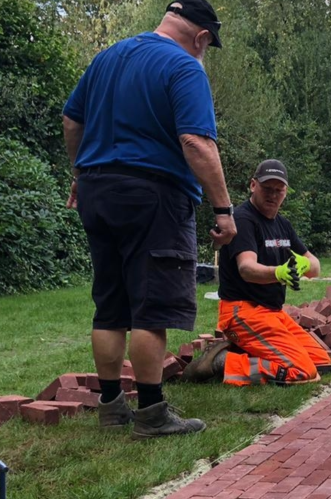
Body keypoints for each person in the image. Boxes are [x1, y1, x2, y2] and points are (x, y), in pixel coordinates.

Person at [62, 0, 236, 438]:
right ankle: (152, 414)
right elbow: (196, 142)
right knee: (150, 308)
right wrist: (223, 209)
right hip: (153, 195)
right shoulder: (184, 67)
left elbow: (71, 120)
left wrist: (80, 174)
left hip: (98, 191)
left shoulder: (107, 57)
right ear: (200, 38)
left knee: (110, 305)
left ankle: (111, 408)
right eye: (207, 46)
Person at [181, 160, 331, 387]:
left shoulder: (282, 224)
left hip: (272, 313)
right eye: (266, 188)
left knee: (321, 362)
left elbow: (316, 266)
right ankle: (223, 363)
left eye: (278, 190)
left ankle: (244, 351)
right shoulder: (243, 220)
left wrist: (304, 264)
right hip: (241, 313)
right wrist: (279, 272)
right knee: (302, 371)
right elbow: (247, 269)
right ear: (253, 185)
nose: (272, 195)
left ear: (285, 192)